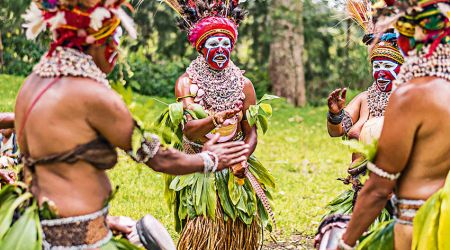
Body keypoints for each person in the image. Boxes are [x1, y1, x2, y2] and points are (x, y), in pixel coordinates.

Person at [1, 0, 250, 249]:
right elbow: (157, 158)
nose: (117, 52)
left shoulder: (31, 84)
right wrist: (210, 159)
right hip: (77, 239)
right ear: (98, 43)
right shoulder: (95, 96)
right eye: (114, 41)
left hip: (37, 230)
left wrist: (106, 222)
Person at [157, 0, 276, 249]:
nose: (220, 49)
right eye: (213, 44)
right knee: (204, 222)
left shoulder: (245, 85)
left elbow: (250, 133)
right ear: (201, 48)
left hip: (235, 163)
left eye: (225, 43)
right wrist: (213, 120)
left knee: (239, 225)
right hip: (201, 160)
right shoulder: (186, 83)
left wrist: (241, 157)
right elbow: (188, 129)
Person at [338, 0, 450, 249]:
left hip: (419, 231)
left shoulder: (412, 96)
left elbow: (379, 188)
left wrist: (344, 243)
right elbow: (339, 126)